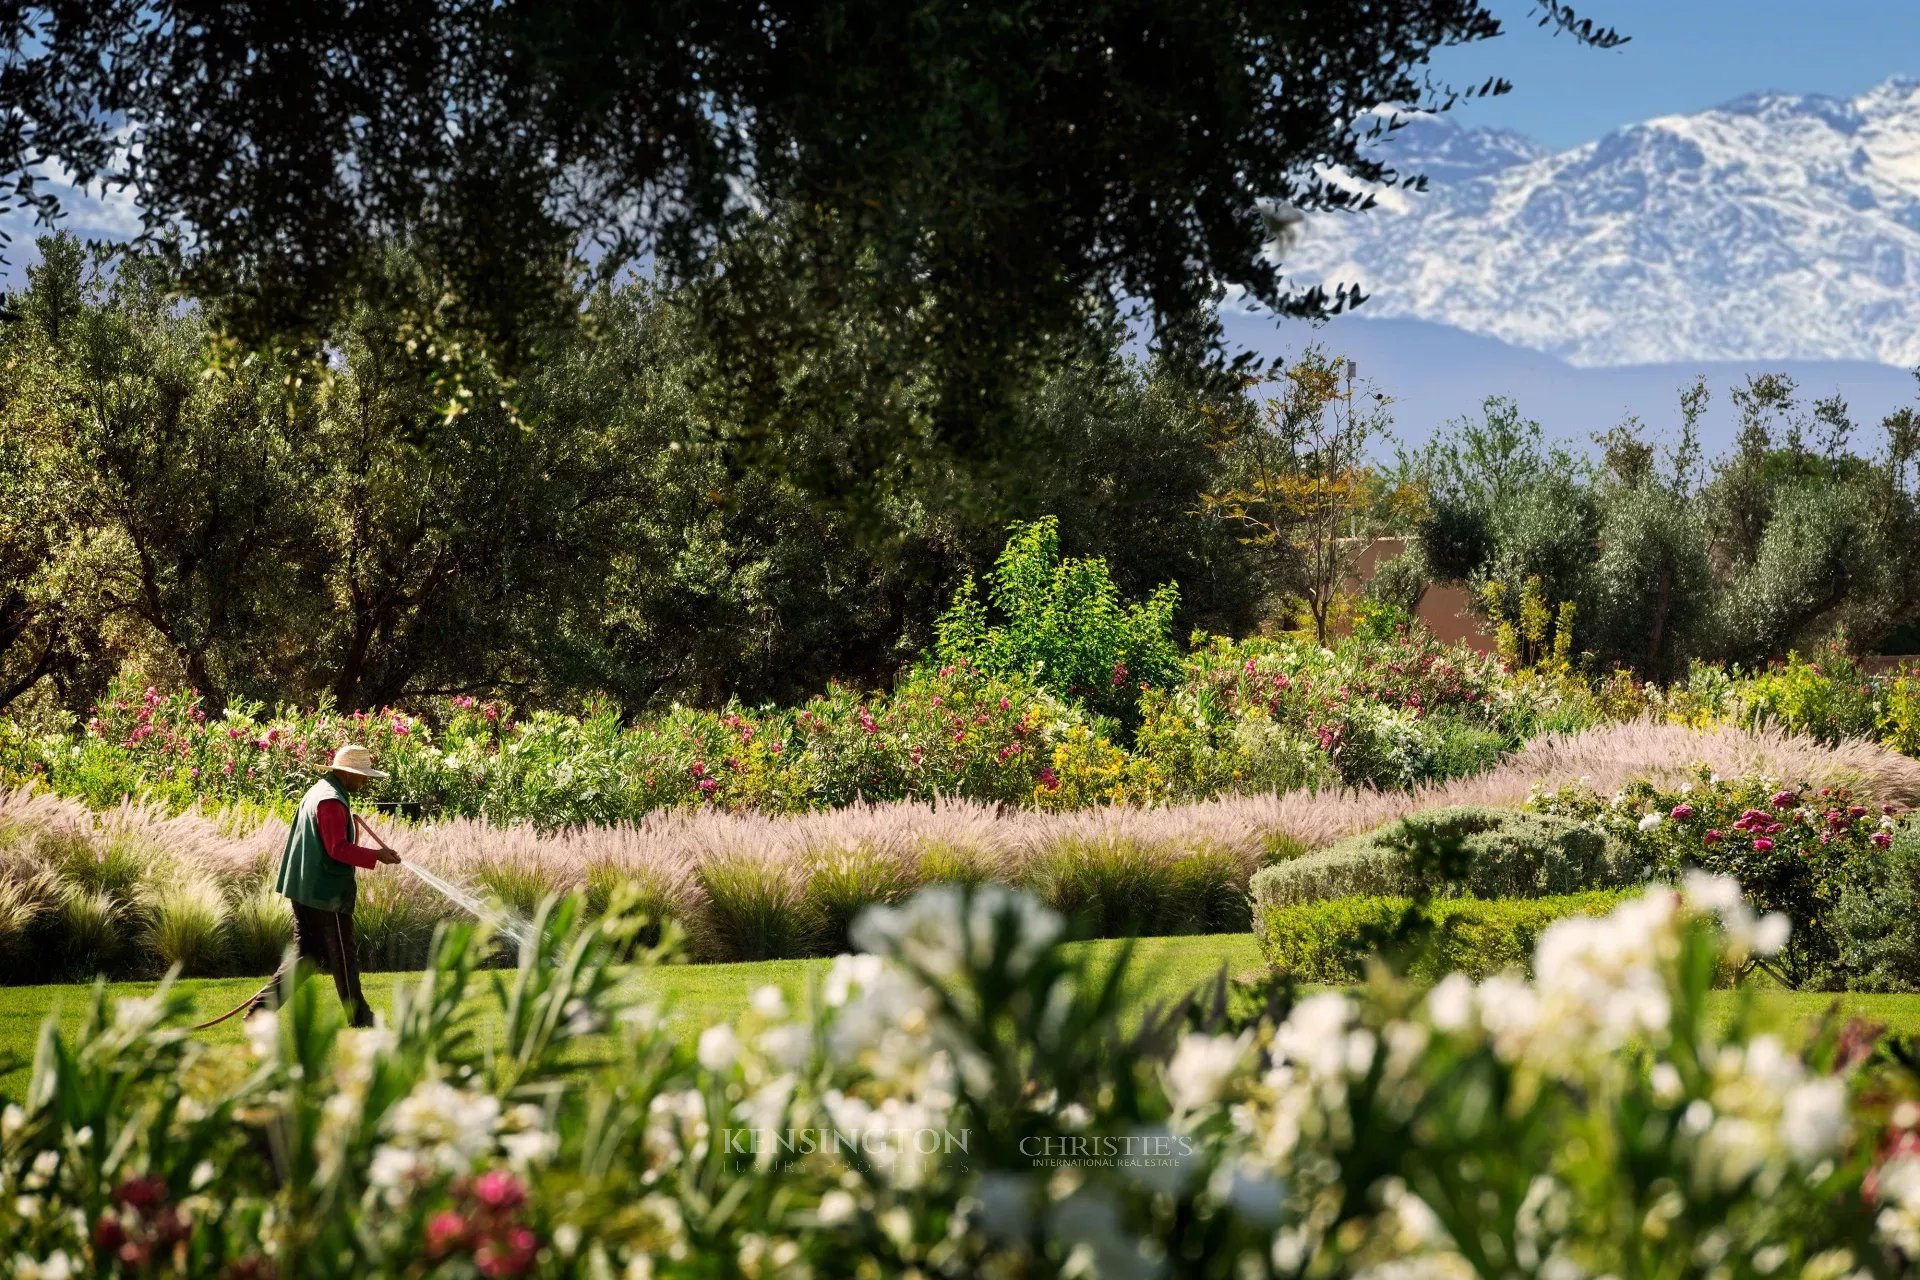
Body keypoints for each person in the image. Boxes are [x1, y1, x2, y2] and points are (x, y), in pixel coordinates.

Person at [239, 743, 402, 1028]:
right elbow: (336, 849)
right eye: (362, 775)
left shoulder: (322, 792)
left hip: (306, 888)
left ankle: (258, 1013)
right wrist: (376, 856)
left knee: (307, 955)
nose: (364, 781)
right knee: (343, 957)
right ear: (347, 773)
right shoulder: (331, 801)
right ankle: (360, 1017)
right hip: (325, 893)